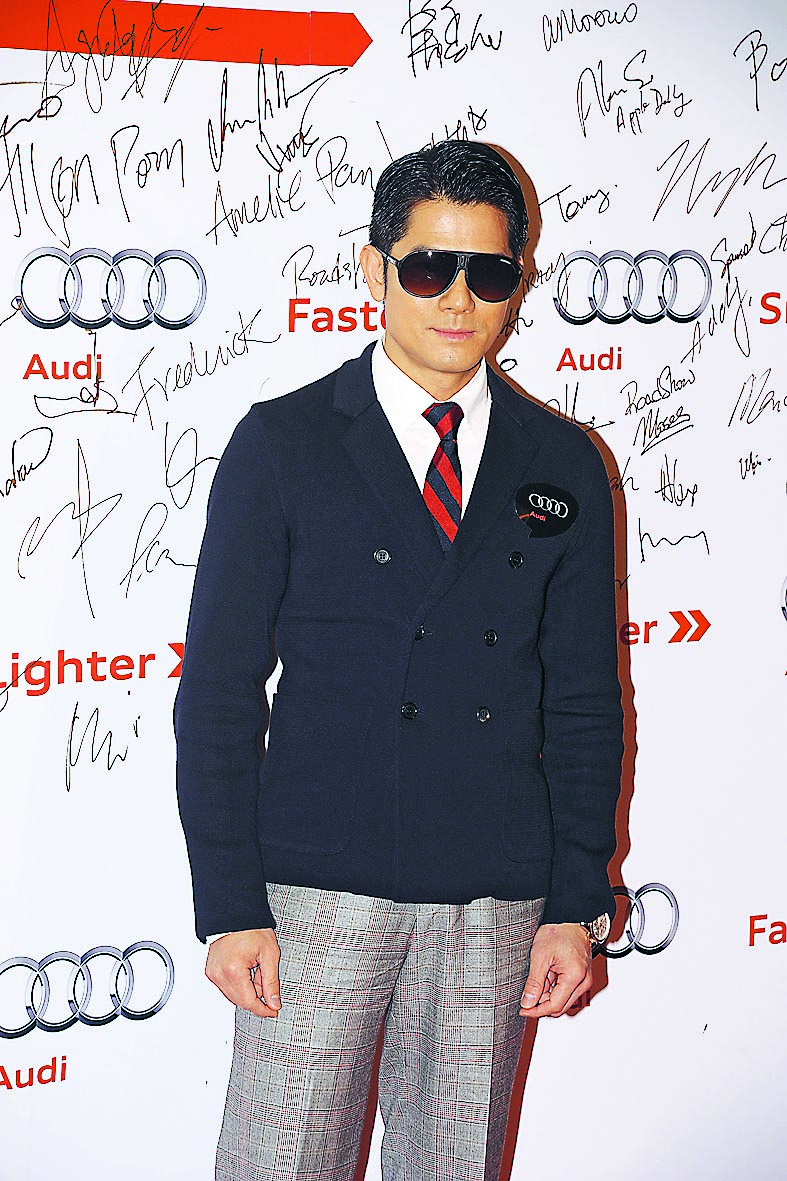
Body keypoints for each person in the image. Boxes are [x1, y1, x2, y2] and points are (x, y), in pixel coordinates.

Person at [174, 139, 623, 1181]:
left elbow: (583, 702)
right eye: (429, 267)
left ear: (517, 282)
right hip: (314, 891)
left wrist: (573, 898)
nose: (458, 298)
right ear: (374, 269)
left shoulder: (562, 462)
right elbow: (219, 693)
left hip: (494, 895)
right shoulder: (283, 443)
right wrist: (230, 901)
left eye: (489, 272)